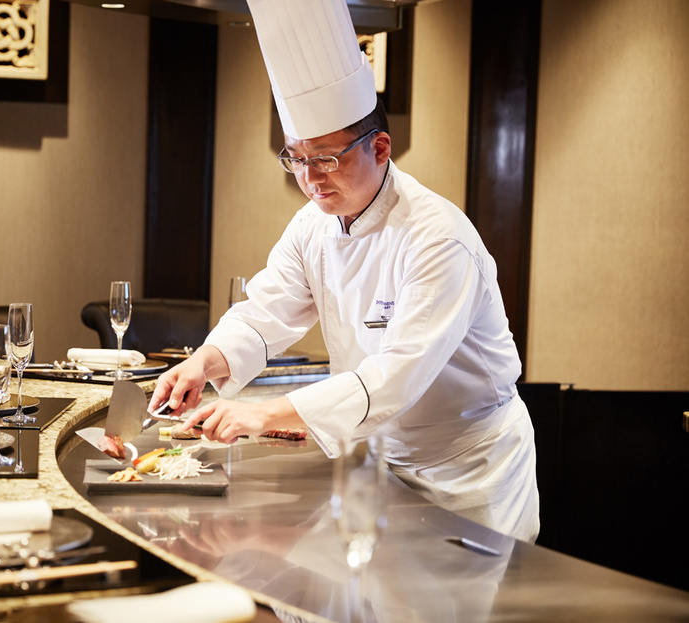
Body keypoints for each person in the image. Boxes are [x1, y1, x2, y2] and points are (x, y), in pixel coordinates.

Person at [147, 0, 539, 543]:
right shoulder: (312, 225)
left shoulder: (437, 237)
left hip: (468, 470)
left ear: (380, 147)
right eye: (296, 159)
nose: (310, 179)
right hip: (379, 456)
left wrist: (266, 415)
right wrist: (203, 362)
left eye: (326, 159)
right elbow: (266, 312)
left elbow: (398, 374)